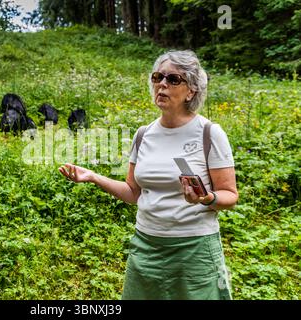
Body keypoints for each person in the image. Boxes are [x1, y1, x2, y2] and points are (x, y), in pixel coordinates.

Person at [58, 50, 238, 300]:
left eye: (173, 79)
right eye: (157, 77)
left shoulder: (209, 133)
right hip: (146, 246)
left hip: (194, 249)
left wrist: (205, 197)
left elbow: (230, 195)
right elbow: (133, 193)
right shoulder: (144, 134)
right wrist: (93, 177)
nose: (162, 84)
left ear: (191, 90)